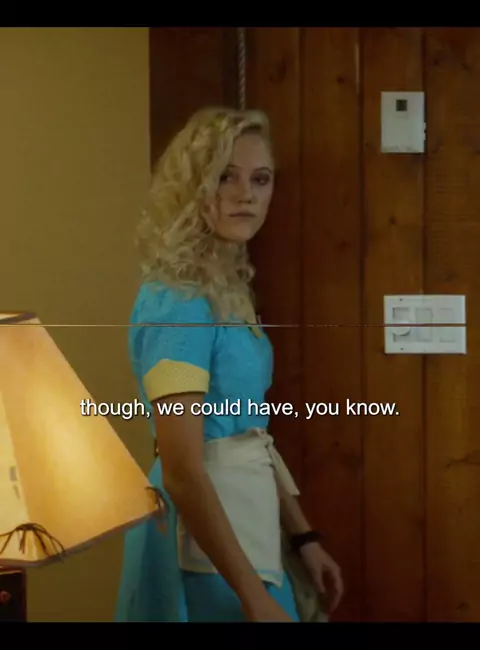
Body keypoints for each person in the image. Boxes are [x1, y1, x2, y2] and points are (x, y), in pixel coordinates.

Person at [115, 106, 343, 622]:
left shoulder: (226, 290)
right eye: (226, 176)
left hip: (247, 517)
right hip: (202, 540)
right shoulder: (176, 301)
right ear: (193, 186)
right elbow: (183, 469)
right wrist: (252, 596)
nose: (247, 194)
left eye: (260, 179)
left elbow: (250, 434)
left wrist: (302, 535)